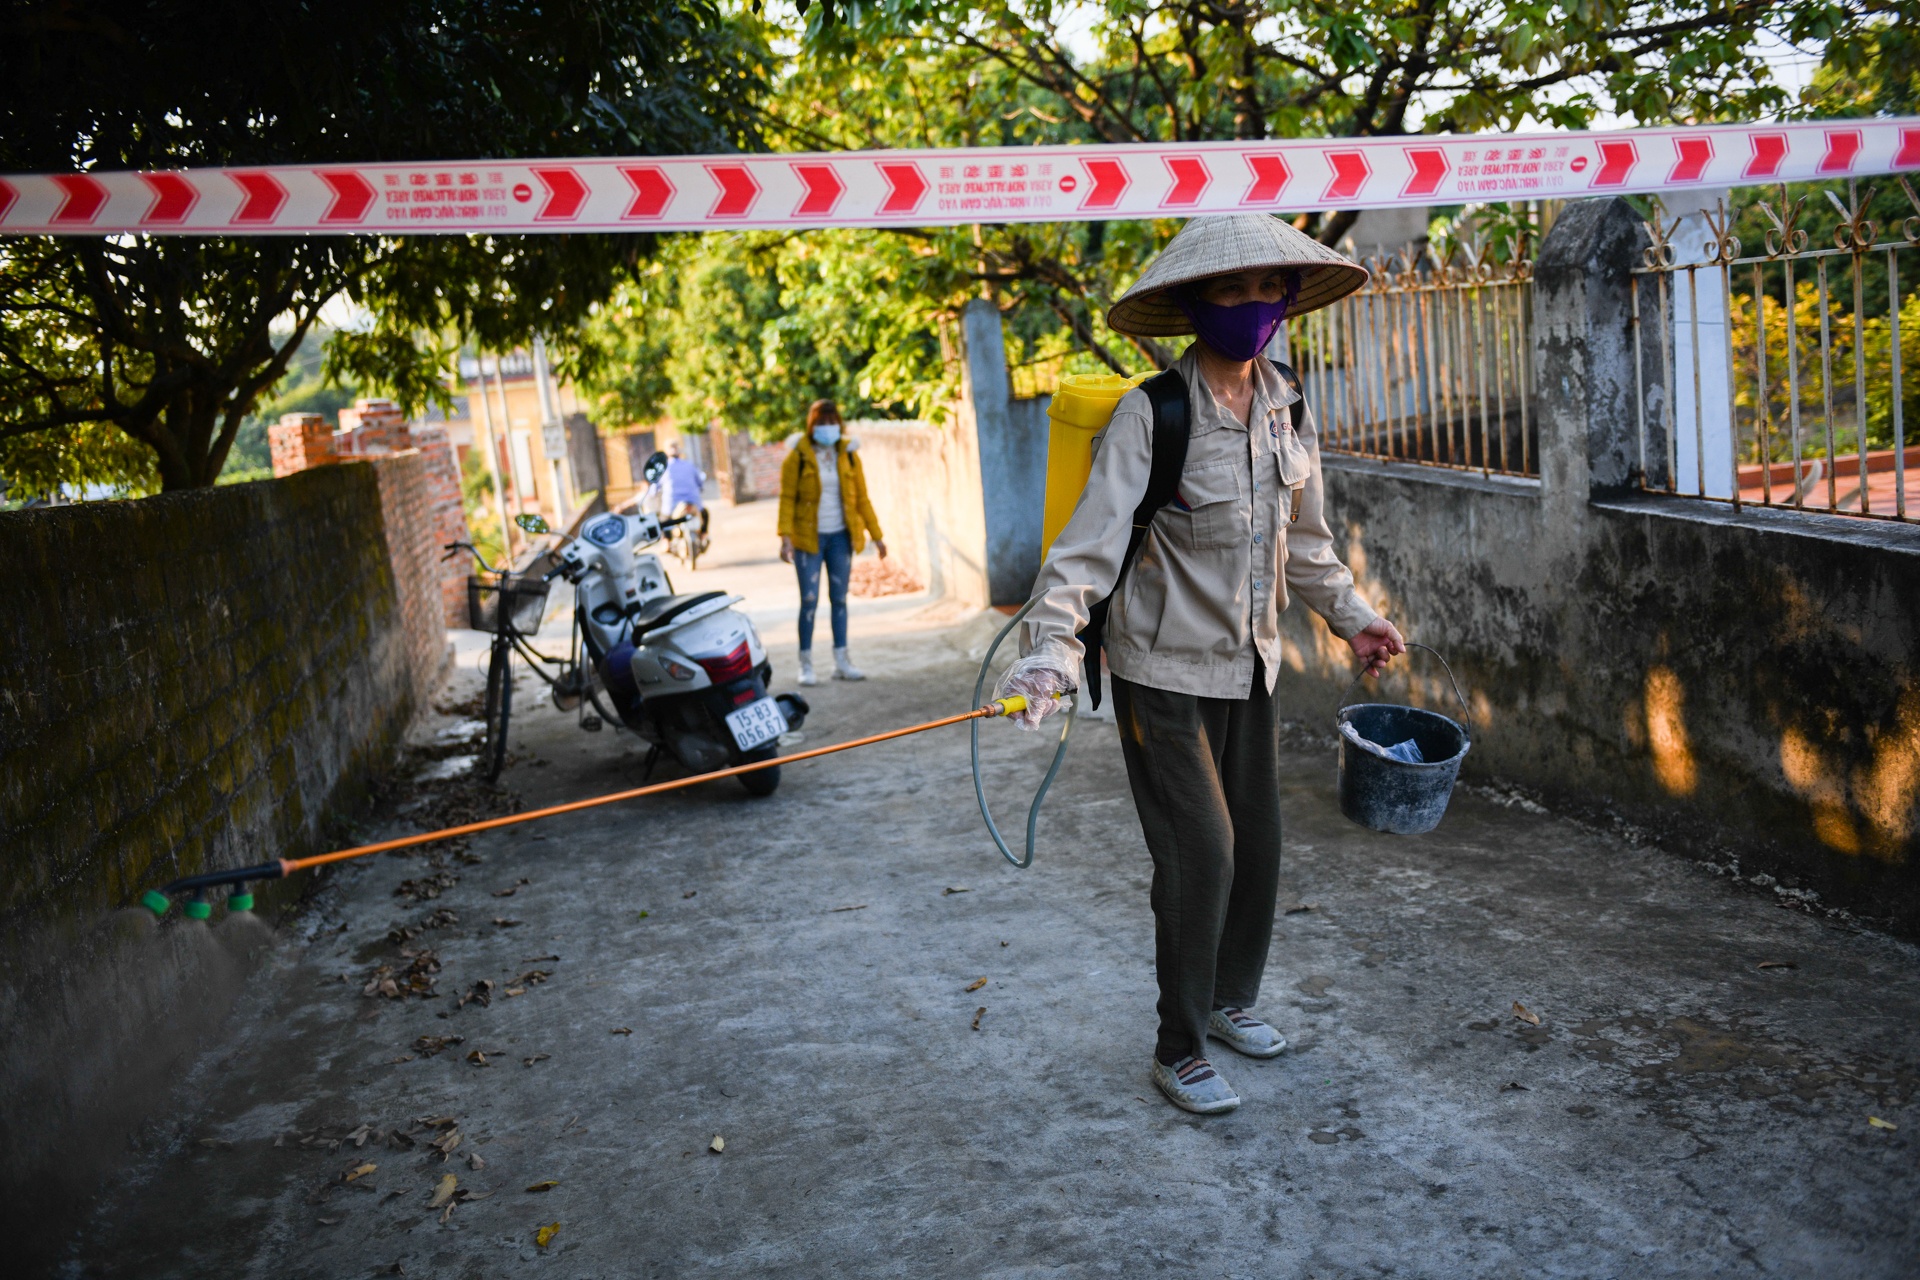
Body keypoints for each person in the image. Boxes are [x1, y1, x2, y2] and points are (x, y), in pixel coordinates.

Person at [996, 214, 1406, 1116]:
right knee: (1202, 854)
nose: (1251, 306)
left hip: (1249, 668)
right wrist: (1052, 653)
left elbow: (1308, 545)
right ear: (1194, 307)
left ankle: (1227, 1004)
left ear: (1286, 301)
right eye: (1230, 291)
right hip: (1162, 677)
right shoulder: (1155, 414)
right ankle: (1177, 1047)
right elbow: (1085, 551)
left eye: (1266, 290)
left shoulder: (1288, 403)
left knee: (1257, 850)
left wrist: (1356, 619)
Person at [777, 399, 887, 686]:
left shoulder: (849, 455)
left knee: (839, 600)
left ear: (839, 423)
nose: (827, 427)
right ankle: (806, 664)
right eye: (821, 423)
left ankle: (842, 661)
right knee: (809, 600)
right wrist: (785, 537)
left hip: (841, 537)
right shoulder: (797, 456)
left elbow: (862, 498)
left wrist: (877, 536)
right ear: (812, 426)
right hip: (807, 539)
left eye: (831, 422)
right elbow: (787, 499)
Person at [659, 439, 709, 550]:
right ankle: (704, 534)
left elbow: (655, 486)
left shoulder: (664, 468)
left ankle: (666, 541)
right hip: (693, 502)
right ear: (679, 452)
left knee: (663, 519)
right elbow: (700, 481)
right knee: (704, 513)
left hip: (673, 505)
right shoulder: (689, 465)